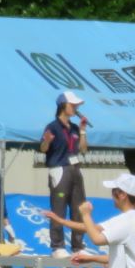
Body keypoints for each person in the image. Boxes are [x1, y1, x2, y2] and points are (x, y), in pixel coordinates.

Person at [39, 91, 88, 256]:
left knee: (79, 209)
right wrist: (47, 141)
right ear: (62, 106)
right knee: (58, 209)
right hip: (59, 169)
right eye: (72, 105)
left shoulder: (74, 128)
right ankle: (57, 246)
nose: (75, 108)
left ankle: (78, 246)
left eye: (76, 105)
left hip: (75, 169)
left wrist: (82, 131)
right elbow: (43, 149)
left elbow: (83, 149)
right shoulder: (52, 126)